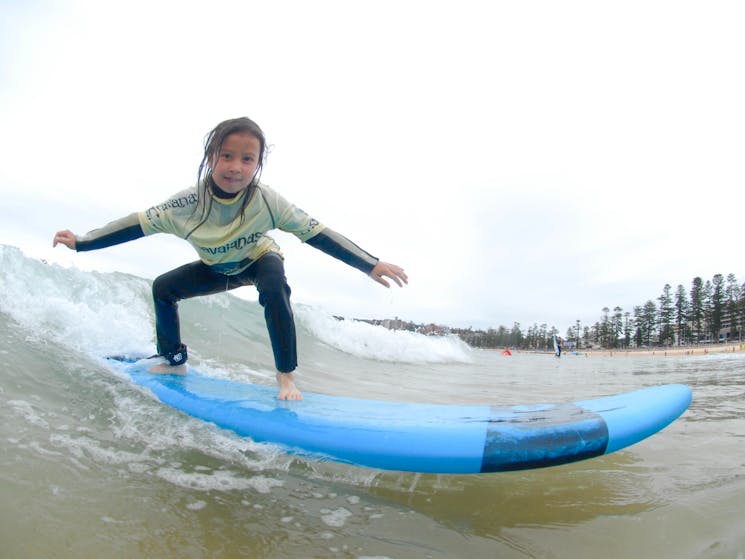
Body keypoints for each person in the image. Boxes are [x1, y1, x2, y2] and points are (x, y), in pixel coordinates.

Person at [53, 117, 407, 400]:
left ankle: (286, 378)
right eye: (227, 156)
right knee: (163, 288)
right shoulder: (185, 204)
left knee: (274, 287)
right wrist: (83, 243)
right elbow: (134, 225)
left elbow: (317, 232)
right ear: (211, 158)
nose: (235, 166)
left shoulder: (268, 201)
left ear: (257, 164)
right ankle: (174, 361)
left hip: (258, 259)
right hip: (217, 268)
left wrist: (369, 263)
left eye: (247, 159)